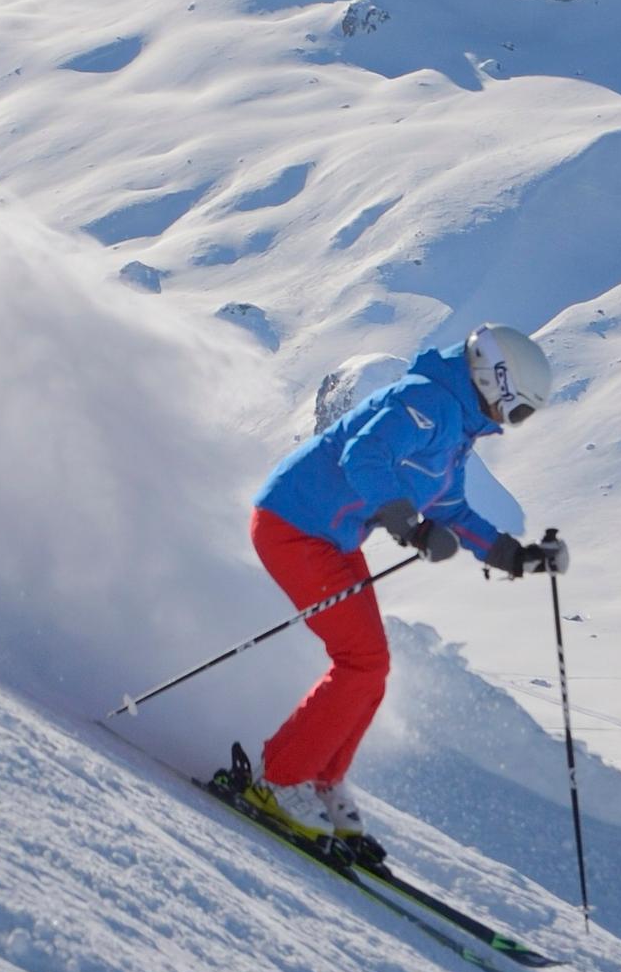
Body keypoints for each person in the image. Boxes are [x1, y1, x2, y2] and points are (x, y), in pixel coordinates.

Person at [221, 321, 565, 846]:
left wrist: (516, 556)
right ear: (495, 381)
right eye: (517, 410)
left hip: (329, 537)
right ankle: (281, 780)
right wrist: (411, 527)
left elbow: (451, 507)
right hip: (293, 525)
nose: (511, 421)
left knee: (372, 667)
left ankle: (320, 777)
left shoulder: (456, 429)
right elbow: (364, 454)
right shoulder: (428, 401)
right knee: (363, 662)